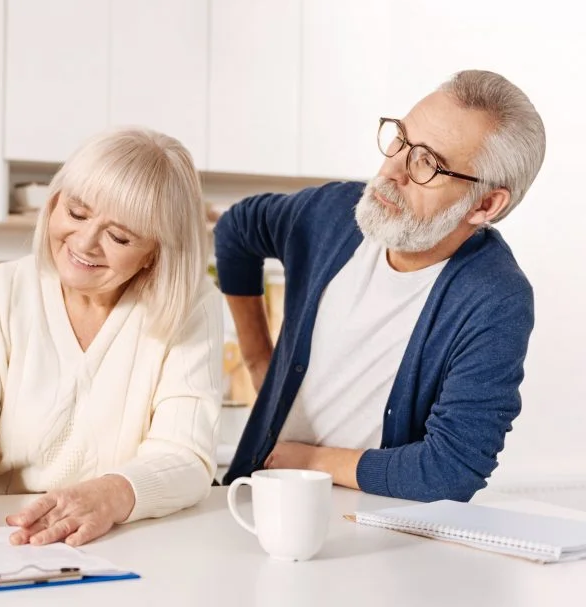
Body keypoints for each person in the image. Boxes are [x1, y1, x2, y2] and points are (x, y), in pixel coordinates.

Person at [216, 70, 545, 502]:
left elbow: (451, 469)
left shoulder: (494, 300)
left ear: (486, 204)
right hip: (249, 501)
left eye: (426, 162)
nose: (392, 170)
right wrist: (258, 357)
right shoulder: (331, 213)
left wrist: (309, 460)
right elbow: (236, 230)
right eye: (400, 140)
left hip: (375, 539)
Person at [0, 127, 223, 546]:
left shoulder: (190, 307)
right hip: (4, 538)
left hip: (129, 543)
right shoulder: (5, 289)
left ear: (154, 253)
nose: (86, 243)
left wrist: (112, 495)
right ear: (54, 203)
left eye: (120, 237)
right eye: (76, 213)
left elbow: (185, 456)